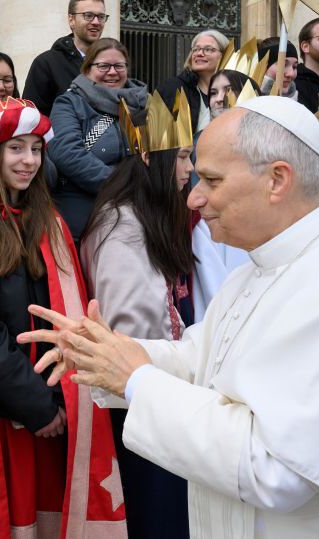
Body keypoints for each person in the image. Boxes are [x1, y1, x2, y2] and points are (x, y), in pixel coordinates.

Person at [20, 95, 319, 537]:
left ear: (277, 180)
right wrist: (113, 353)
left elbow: (276, 468)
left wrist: (137, 380)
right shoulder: (261, 267)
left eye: (212, 180)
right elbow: (203, 360)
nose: (194, 198)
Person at [0, 97, 125, 536]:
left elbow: (66, 313)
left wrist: (58, 399)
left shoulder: (47, 218)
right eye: (16, 149)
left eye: (36, 149)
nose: (29, 161)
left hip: (53, 403)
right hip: (3, 410)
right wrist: (36, 406)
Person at [80, 91, 194, 537]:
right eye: (181, 157)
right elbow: (132, 329)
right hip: (142, 401)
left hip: (160, 395)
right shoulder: (122, 226)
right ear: (150, 159)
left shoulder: (147, 216)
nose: (189, 169)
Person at [48, 37, 148, 241]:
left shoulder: (144, 103)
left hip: (141, 211)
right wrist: (120, 185)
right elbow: (67, 153)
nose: (112, 72)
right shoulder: (69, 103)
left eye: (119, 66)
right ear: (87, 69)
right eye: (103, 66)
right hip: (84, 214)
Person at [23, 0, 108, 115]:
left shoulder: (113, 65)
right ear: (71, 20)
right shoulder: (46, 64)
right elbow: (33, 117)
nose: (96, 22)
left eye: (101, 17)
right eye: (88, 15)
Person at [157, 29, 230, 131]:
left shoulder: (235, 90)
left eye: (208, 49)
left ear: (224, 55)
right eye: (196, 49)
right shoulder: (173, 88)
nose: (199, 53)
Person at [257, 36, 302, 103]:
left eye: (294, 67)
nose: (291, 73)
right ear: (262, 67)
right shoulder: (244, 102)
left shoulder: (301, 104)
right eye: (283, 65)